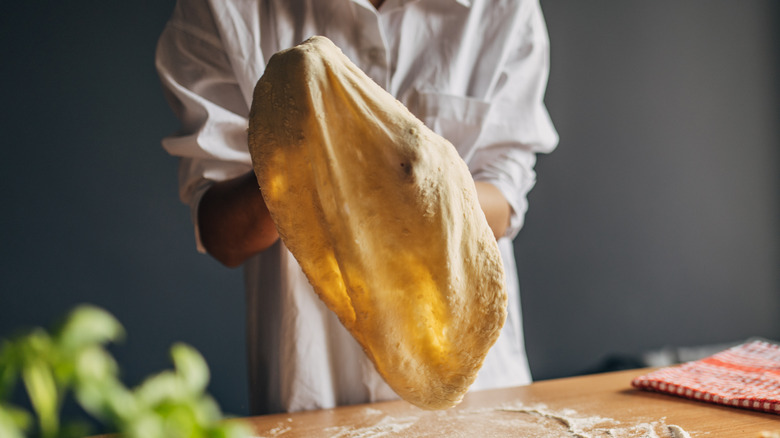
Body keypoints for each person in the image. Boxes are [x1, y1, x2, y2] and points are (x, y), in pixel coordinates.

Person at [155, 0, 558, 415]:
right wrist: (304, 160)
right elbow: (225, 237)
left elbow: (505, 198)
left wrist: (431, 184)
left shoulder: (502, 8)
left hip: (479, 395)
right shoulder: (224, 9)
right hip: (314, 393)